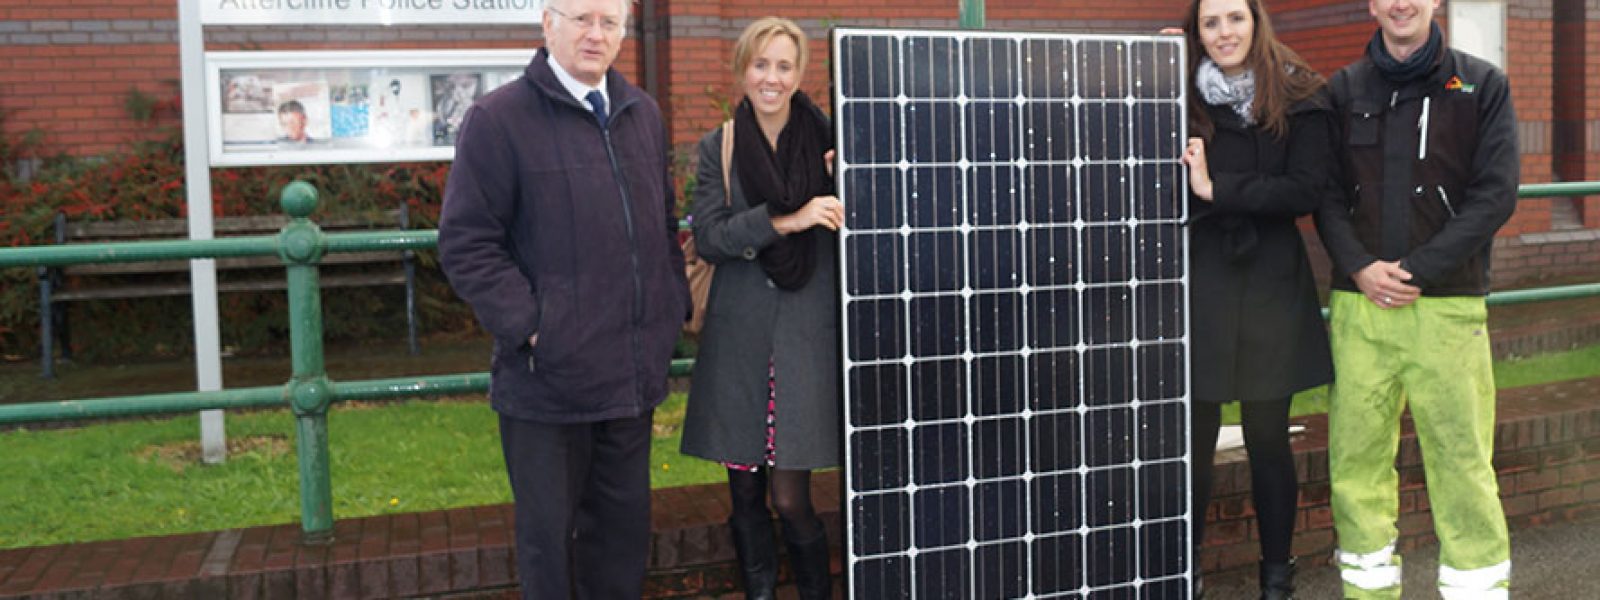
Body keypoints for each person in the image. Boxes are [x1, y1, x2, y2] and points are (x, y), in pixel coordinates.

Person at [436, 0, 688, 597]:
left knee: (621, 549)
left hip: (628, 384)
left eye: (609, 22)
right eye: (581, 18)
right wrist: (532, 325)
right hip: (546, 387)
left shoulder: (642, 114)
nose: (595, 34)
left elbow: (663, 224)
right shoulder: (498, 119)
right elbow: (467, 241)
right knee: (550, 554)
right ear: (548, 23)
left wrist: (667, 307)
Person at [1314, 1, 1518, 598]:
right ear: (1373, 4)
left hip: (1447, 309)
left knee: (1462, 467)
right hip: (1360, 309)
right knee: (1355, 469)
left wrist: (1418, 271)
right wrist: (1358, 266)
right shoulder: (1342, 89)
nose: (1401, 2)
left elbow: (1496, 194)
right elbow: (1323, 194)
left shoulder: (1483, 85)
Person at [678, 17, 843, 600]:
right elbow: (713, 238)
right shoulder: (717, 146)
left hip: (804, 344)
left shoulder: (834, 144)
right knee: (745, 496)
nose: (771, 78)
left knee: (790, 497)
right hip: (740, 344)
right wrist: (785, 221)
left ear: (800, 76)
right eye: (761, 64)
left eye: (784, 66)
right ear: (743, 69)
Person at [1177, 0, 1337, 597]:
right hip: (1202, 279)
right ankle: (1182, 569)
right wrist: (1157, 44)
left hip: (1270, 280)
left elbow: (1304, 189)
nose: (1224, 33)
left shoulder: (1300, 94)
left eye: (1235, 18)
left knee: (1269, 435)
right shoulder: (1177, 91)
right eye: (1210, 22)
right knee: (1193, 437)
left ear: (1257, 21)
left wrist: (1217, 188)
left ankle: (1277, 576)